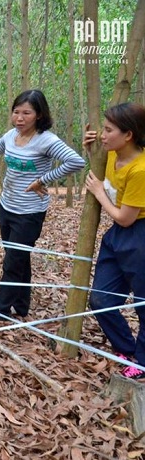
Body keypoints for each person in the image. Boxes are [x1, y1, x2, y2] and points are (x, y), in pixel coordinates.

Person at [0, 90, 85, 320]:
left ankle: (0, 311)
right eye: (16, 112)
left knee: (13, 261)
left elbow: (76, 161)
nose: (19, 118)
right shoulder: (11, 135)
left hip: (30, 212)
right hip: (7, 206)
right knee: (17, 257)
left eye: (26, 113)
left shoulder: (46, 140)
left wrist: (42, 180)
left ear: (39, 115)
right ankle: (22, 306)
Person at [83, 102, 145, 379]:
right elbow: (105, 176)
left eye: (108, 130)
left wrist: (98, 193)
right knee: (100, 298)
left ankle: (142, 364)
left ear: (128, 134)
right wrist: (91, 150)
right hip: (116, 238)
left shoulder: (141, 169)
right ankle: (125, 348)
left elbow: (125, 218)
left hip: (139, 235)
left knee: (142, 304)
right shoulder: (111, 154)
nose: (103, 135)